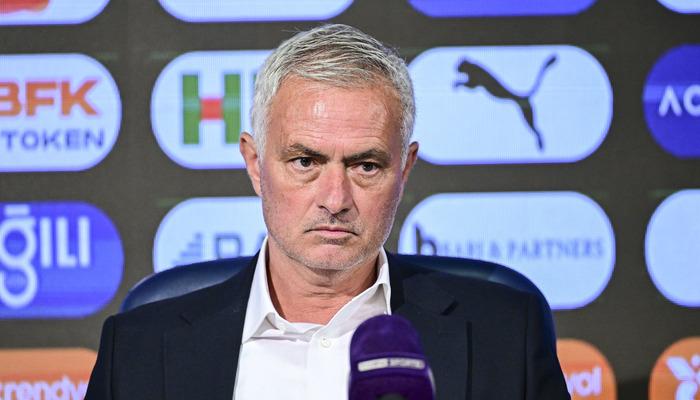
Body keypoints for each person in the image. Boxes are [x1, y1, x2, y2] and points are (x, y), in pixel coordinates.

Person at [85, 24, 570, 400]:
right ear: (254, 164)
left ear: (404, 170)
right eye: (305, 162)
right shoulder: (138, 349)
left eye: (366, 166)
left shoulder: (504, 334)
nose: (335, 199)